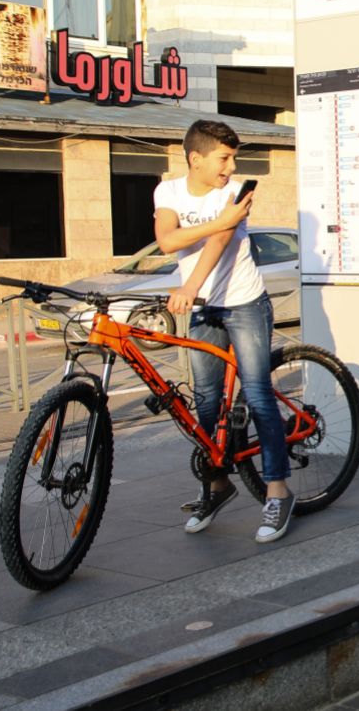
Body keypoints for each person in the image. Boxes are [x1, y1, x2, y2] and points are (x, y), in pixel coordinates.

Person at [154, 121, 295, 543]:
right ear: (195, 158)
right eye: (224, 157)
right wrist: (218, 222)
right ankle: (217, 486)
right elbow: (167, 242)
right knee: (207, 403)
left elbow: (218, 245)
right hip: (202, 311)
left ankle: (278, 491)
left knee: (257, 395)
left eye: (233, 158)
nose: (231, 166)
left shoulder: (237, 191)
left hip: (244, 303)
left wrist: (191, 284)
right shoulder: (168, 192)